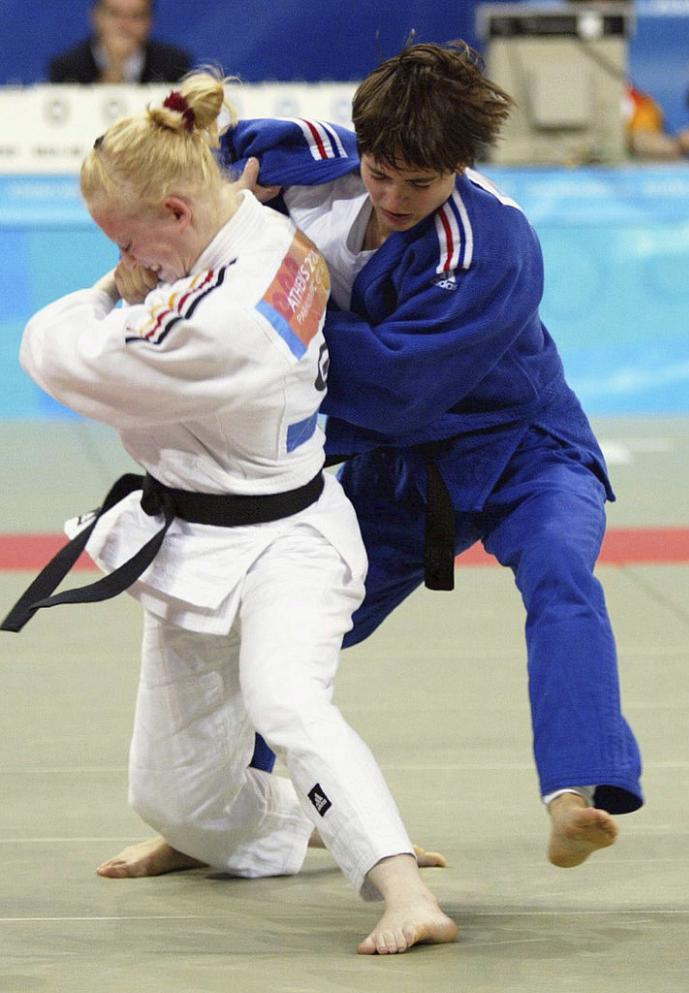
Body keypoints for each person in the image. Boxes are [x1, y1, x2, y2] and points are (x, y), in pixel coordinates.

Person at [95, 40, 643, 884]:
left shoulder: (489, 249)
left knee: (563, 574)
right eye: (381, 173)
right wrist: (212, 227)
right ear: (364, 144)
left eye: (417, 185)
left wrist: (285, 284)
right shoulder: (310, 157)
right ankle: (219, 818)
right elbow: (203, 163)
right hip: (397, 467)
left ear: (459, 165)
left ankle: (575, 792)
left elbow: (390, 387)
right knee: (287, 636)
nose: (392, 197)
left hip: (522, 446)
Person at [4, 70, 457, 956]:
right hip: (193, 534)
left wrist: (108, 294)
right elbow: (151, 294)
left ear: (177, 212)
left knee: (286, 698)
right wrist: (134, 277)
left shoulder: (234, 311)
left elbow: (56, 354)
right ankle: (308, 818)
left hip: (289, 539)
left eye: (125, 237)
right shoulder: (250, 230)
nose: (124, 259)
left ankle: (399, 883)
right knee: (174, 796)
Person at [49, 0, 191, 85]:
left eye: (135, 16)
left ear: (150, 21)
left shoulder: (173, 65)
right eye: (115, 14)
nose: (124, 25)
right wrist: (114, 68)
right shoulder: (67, 69)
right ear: (96, 17)